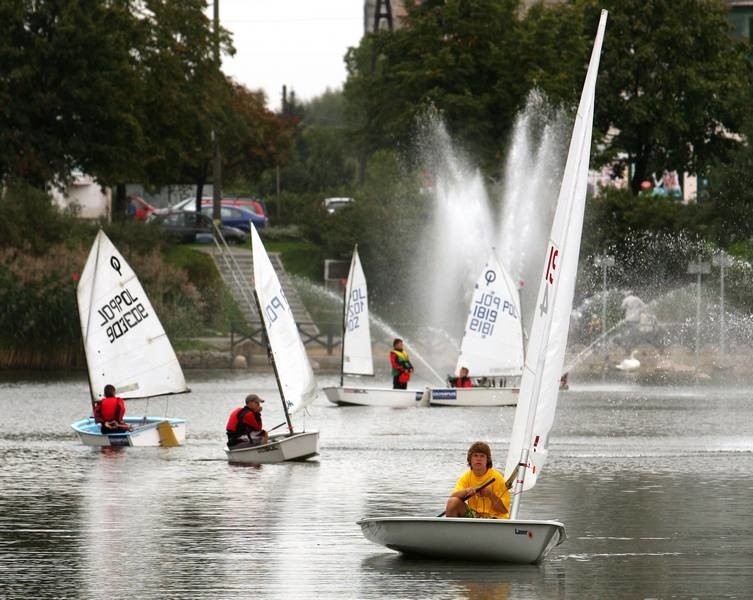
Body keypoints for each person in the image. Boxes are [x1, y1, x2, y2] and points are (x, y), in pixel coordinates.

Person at [444, 441, 510, 519]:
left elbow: (504, 510)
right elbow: (452, 497)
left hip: (495, 519)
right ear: (470, 459)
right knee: (453, 502)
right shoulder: (466, 477)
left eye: (482, 456)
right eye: (475, 456)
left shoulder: (497, 478)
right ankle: (452, 530)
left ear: (487, 460)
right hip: (475, 517)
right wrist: (466, 492)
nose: (478, 459)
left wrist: (490, 495)